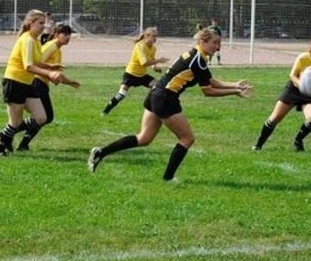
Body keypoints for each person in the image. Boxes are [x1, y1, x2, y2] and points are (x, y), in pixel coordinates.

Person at [88, 28, 252, 181]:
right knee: (187, 138)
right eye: (215, 43)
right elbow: (207, 90)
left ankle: (101, 152)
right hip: (166, 98)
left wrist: (235, 84)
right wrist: (235, 92)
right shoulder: (198, 60)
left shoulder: (195, 55)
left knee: (144, 138)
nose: (218, 47)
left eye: (219, 44)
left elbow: (209, 81)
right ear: (203, 41)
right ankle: (168, 178)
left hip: (156, 93)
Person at [0, 9, 64, 156]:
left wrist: (50, 66)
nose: (43, 27)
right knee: (15, 122)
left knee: (41, 117)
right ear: (31, 23)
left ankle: (5, 135)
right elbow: (29, 66)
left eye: (44, 24)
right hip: (15, 82)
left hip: (27, 84)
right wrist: (50, 73)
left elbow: (37, 62)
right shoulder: (27, 40)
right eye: (40, 23)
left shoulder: (35, 40)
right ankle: (1, 147)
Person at [252, 35, 311, 152]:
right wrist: (301, 85)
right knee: (275, 118)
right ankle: (259, 144)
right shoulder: (303, 58)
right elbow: (292, 75)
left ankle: (298, 140)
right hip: (294, 90)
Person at [17, 24, 81, 151]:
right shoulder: (51, 46)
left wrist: (66, 80)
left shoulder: (57, 49)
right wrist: (69, 81)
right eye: (65, 34)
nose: (68, 37)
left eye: (69, 34)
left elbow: (56, 73)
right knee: (46, 116)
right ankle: (12, 130)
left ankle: (22, 143)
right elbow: (36, 63)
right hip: (37, 82)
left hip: (42, 84)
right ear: (57, 35)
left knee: (45, 117)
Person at [102, 27, 168, 115]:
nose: (155, 38)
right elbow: (144, 63)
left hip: (142, 75)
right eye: (153, 36)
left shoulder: (153, 48)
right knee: (121, 95)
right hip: (131, 74)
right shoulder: (140, 46)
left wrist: (155, 67)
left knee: (159, 88)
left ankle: (154, 110)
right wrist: (159, 60)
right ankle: (105, 112)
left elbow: (151, 60)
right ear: (146, 36)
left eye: (156, 36)